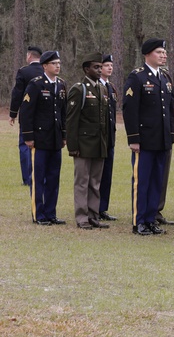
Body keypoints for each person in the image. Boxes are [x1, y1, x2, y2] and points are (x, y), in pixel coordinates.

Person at [122, 39, 174, 235]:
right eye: (159, 52)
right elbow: (130, 109)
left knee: (157, 181)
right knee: (142, 180)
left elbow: (169, 109)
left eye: (164, 52)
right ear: (147, 55)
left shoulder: (165, 78)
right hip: (144, 139)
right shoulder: (137, 77)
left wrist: (170, 136)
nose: (164, 55)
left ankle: (152, 218)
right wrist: (134, 138)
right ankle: (140, 221)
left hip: (161, 139)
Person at [21, 51, 67, 225]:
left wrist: (63, 135)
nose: (57, 66)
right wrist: (28, 136)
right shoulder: (36, 84)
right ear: (45, 66)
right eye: (54, 63)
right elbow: (26, 112)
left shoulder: (61, 85)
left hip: (55, 139)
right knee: (38, 177)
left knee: (54, 177)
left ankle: (51, 213)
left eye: (59, 63)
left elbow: (63, 113)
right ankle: (38, 214)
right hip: (39, 139)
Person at [66, 53, 111, 230]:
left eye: (101, 67)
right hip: (83, 145)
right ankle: (82, 217)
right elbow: (71, 120)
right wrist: (73, 146)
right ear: (86, 69)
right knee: (82, 182)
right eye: (96, 67)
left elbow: (104, 121)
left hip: (99, 144)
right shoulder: (79, 89)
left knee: (95, 182)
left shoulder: (102, 89)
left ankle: (93, 215)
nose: (100, 70)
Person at [10, 45, 44, 186]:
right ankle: (41, 177)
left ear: (29, 56)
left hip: (27, 115)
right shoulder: (46, 71)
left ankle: (28, 178)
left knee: (25, 146)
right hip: (44, 116)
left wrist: (13, 113)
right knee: (42, 146)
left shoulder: (23, 72)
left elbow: (17, 94)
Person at [97, 55, 119, 221]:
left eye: (111, 65)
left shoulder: (111, 87)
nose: (109, 68)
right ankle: (93, 207)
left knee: (107, 174)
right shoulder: (95, 86)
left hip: (110, 138)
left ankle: (103, 208)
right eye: (106, 65)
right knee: (96, 174)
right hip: (97, 139)